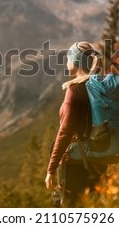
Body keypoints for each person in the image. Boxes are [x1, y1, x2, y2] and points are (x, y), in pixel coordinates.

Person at [45, 41, 107, 207]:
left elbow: (65, 131)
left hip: (76, 163)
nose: (66, 63)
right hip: (99, 159)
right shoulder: (99, 86)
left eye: (68, 59)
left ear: (76, 62)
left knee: (65, 206)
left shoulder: (75, 90)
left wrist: (51, 169)